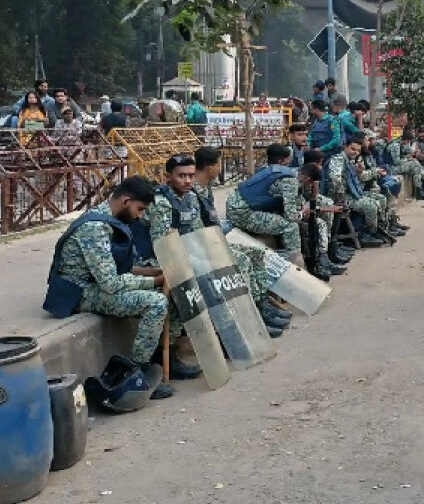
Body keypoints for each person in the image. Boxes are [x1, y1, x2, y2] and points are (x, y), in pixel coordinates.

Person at [42, 176, 186, 400]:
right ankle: (137, 374)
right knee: (156, 302)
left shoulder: (109, 218)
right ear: (126, 201)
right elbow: (110, 284)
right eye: (139, 209)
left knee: (170, 291)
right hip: (80, 293)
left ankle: (165, 358)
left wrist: (154, 272)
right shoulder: (95, 228)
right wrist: (154, 282)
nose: (140, 216)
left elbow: (120, 268)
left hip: (96, 285)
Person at [145, 154, 290, 336]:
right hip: (173, 258)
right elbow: (162, 245)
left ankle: (259, 308)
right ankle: (241, 325)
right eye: (181, 176)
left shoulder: (190, 198)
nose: (188, 180)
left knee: (254, 253)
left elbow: (198, 231)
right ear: (168, 177)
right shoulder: (162, 203)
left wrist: (214, 248)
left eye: (191, 175)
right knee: (240, 261)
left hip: (194, 250)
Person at [226, 144, 309, 266]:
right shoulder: (288, 178)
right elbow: (291, 215)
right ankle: (297, 265)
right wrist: (301, 214)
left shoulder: (265, 169)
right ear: (282, 161)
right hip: (243, 213)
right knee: (290, 227)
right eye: (288, 159)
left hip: (235, 207)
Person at [326, 136, 395, 246]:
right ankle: (365, 234)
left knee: (381, 199)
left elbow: (360, 178)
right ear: (345, 147)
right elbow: (335, 178)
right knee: (370, 206)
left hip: (354, 193)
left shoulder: (351, 161)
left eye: (358, 150)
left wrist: (359, 172)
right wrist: (340, 196)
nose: (356, 152)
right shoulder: (338, 159)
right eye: (353, 149)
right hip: (342, 196)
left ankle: (379, 229)